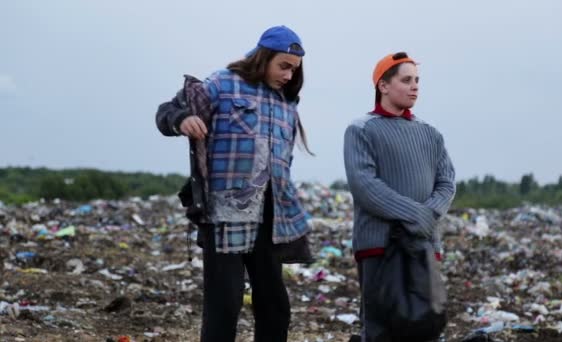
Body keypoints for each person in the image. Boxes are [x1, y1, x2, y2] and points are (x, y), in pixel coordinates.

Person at [155, 25, 312, 342]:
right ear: (263, 57)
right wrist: (182, 119)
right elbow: (166, 111)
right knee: (224, 305)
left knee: (275, 305)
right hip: (225, 215)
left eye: (294, 70)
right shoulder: (224, 84)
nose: (288, 75)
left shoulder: (286, 103)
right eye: (284, 66)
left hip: (271, 218)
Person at [343, 52, 456, 341]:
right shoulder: (361, 129)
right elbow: (365, 186)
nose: (415, 86)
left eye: (417, 80)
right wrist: (416, 214)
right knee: (380, 329)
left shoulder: (430, 134)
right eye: (406, 80)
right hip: (379, 246)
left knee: (425, 325)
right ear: (383, 85)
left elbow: (446, 182)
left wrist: (429, 214)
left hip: (423, 245)